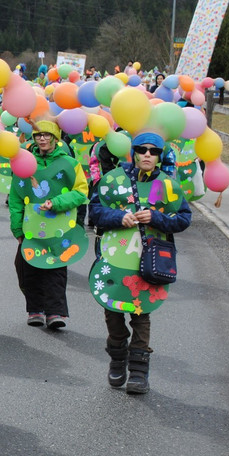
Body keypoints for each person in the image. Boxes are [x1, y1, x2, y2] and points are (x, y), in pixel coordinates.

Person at [87, 133, 191, 394]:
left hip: (148, 261)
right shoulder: (114, 180)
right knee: (112, 311)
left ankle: (139, 371)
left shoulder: (168, 185)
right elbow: (95, 211)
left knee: (141, 313)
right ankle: (117, 357)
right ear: (133, 152)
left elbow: (183, 219)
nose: (147, 154)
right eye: (142, 149)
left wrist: (156, 217)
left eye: (154, 151)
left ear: (159, 156)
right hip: (115, 259)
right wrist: (118, 217)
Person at [9, 120, 87, 330]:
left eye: (46, 135)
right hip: (31, 227)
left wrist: (56, 203)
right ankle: (35, 309)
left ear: (55, 137)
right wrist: (17, 228)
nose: (42, 139)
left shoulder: (70, 163)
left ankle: (55, 312)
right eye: (38, 135)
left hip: (59, 227)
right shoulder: (24, 162)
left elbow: (81, 192)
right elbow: (16, 197)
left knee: (56, 269)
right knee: (28, 268)